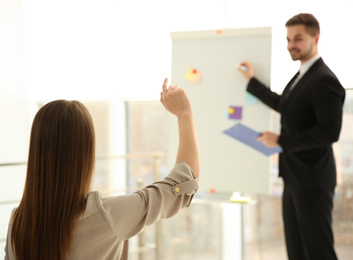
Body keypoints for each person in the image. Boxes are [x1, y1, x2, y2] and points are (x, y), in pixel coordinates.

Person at [4, 78, 200, 260]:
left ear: (36, 153)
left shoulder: (17, 223)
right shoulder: (109, 216)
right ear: (85, 157)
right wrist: (185, 114)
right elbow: (182, 185)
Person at [238, 13, 345, 260]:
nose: (291, 45)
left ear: (315, 38)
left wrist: (281, 140)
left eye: (297, 38)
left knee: (317, 250)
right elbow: (283, 104)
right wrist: (252, 81)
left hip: (313, 180)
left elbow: (329, 132)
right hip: (295, 176)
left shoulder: (324, 80)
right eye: (288, 39)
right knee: (296, 249)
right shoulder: (302, 77)